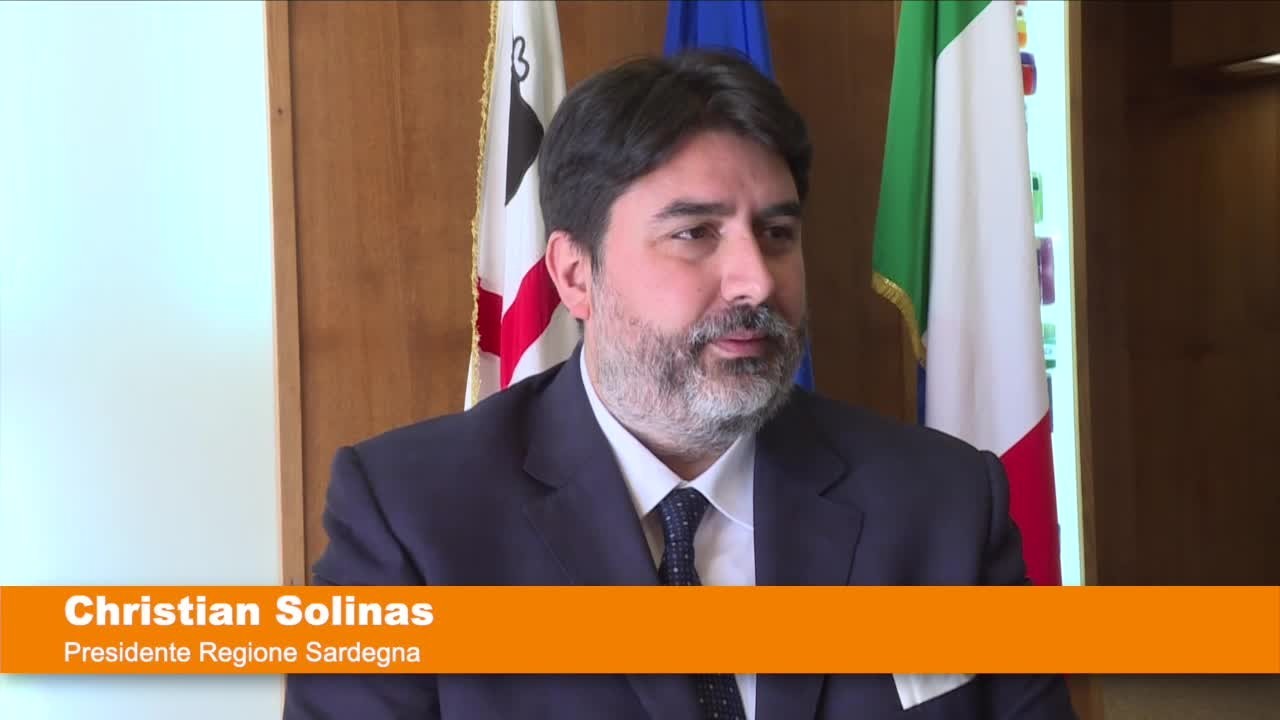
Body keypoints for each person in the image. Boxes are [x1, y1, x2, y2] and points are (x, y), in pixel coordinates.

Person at [284, 50, 1076, 720]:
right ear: (575, 275)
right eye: (695, 233)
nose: (756, 280)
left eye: (777, 233)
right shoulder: (410, 518)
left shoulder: (943, 502)